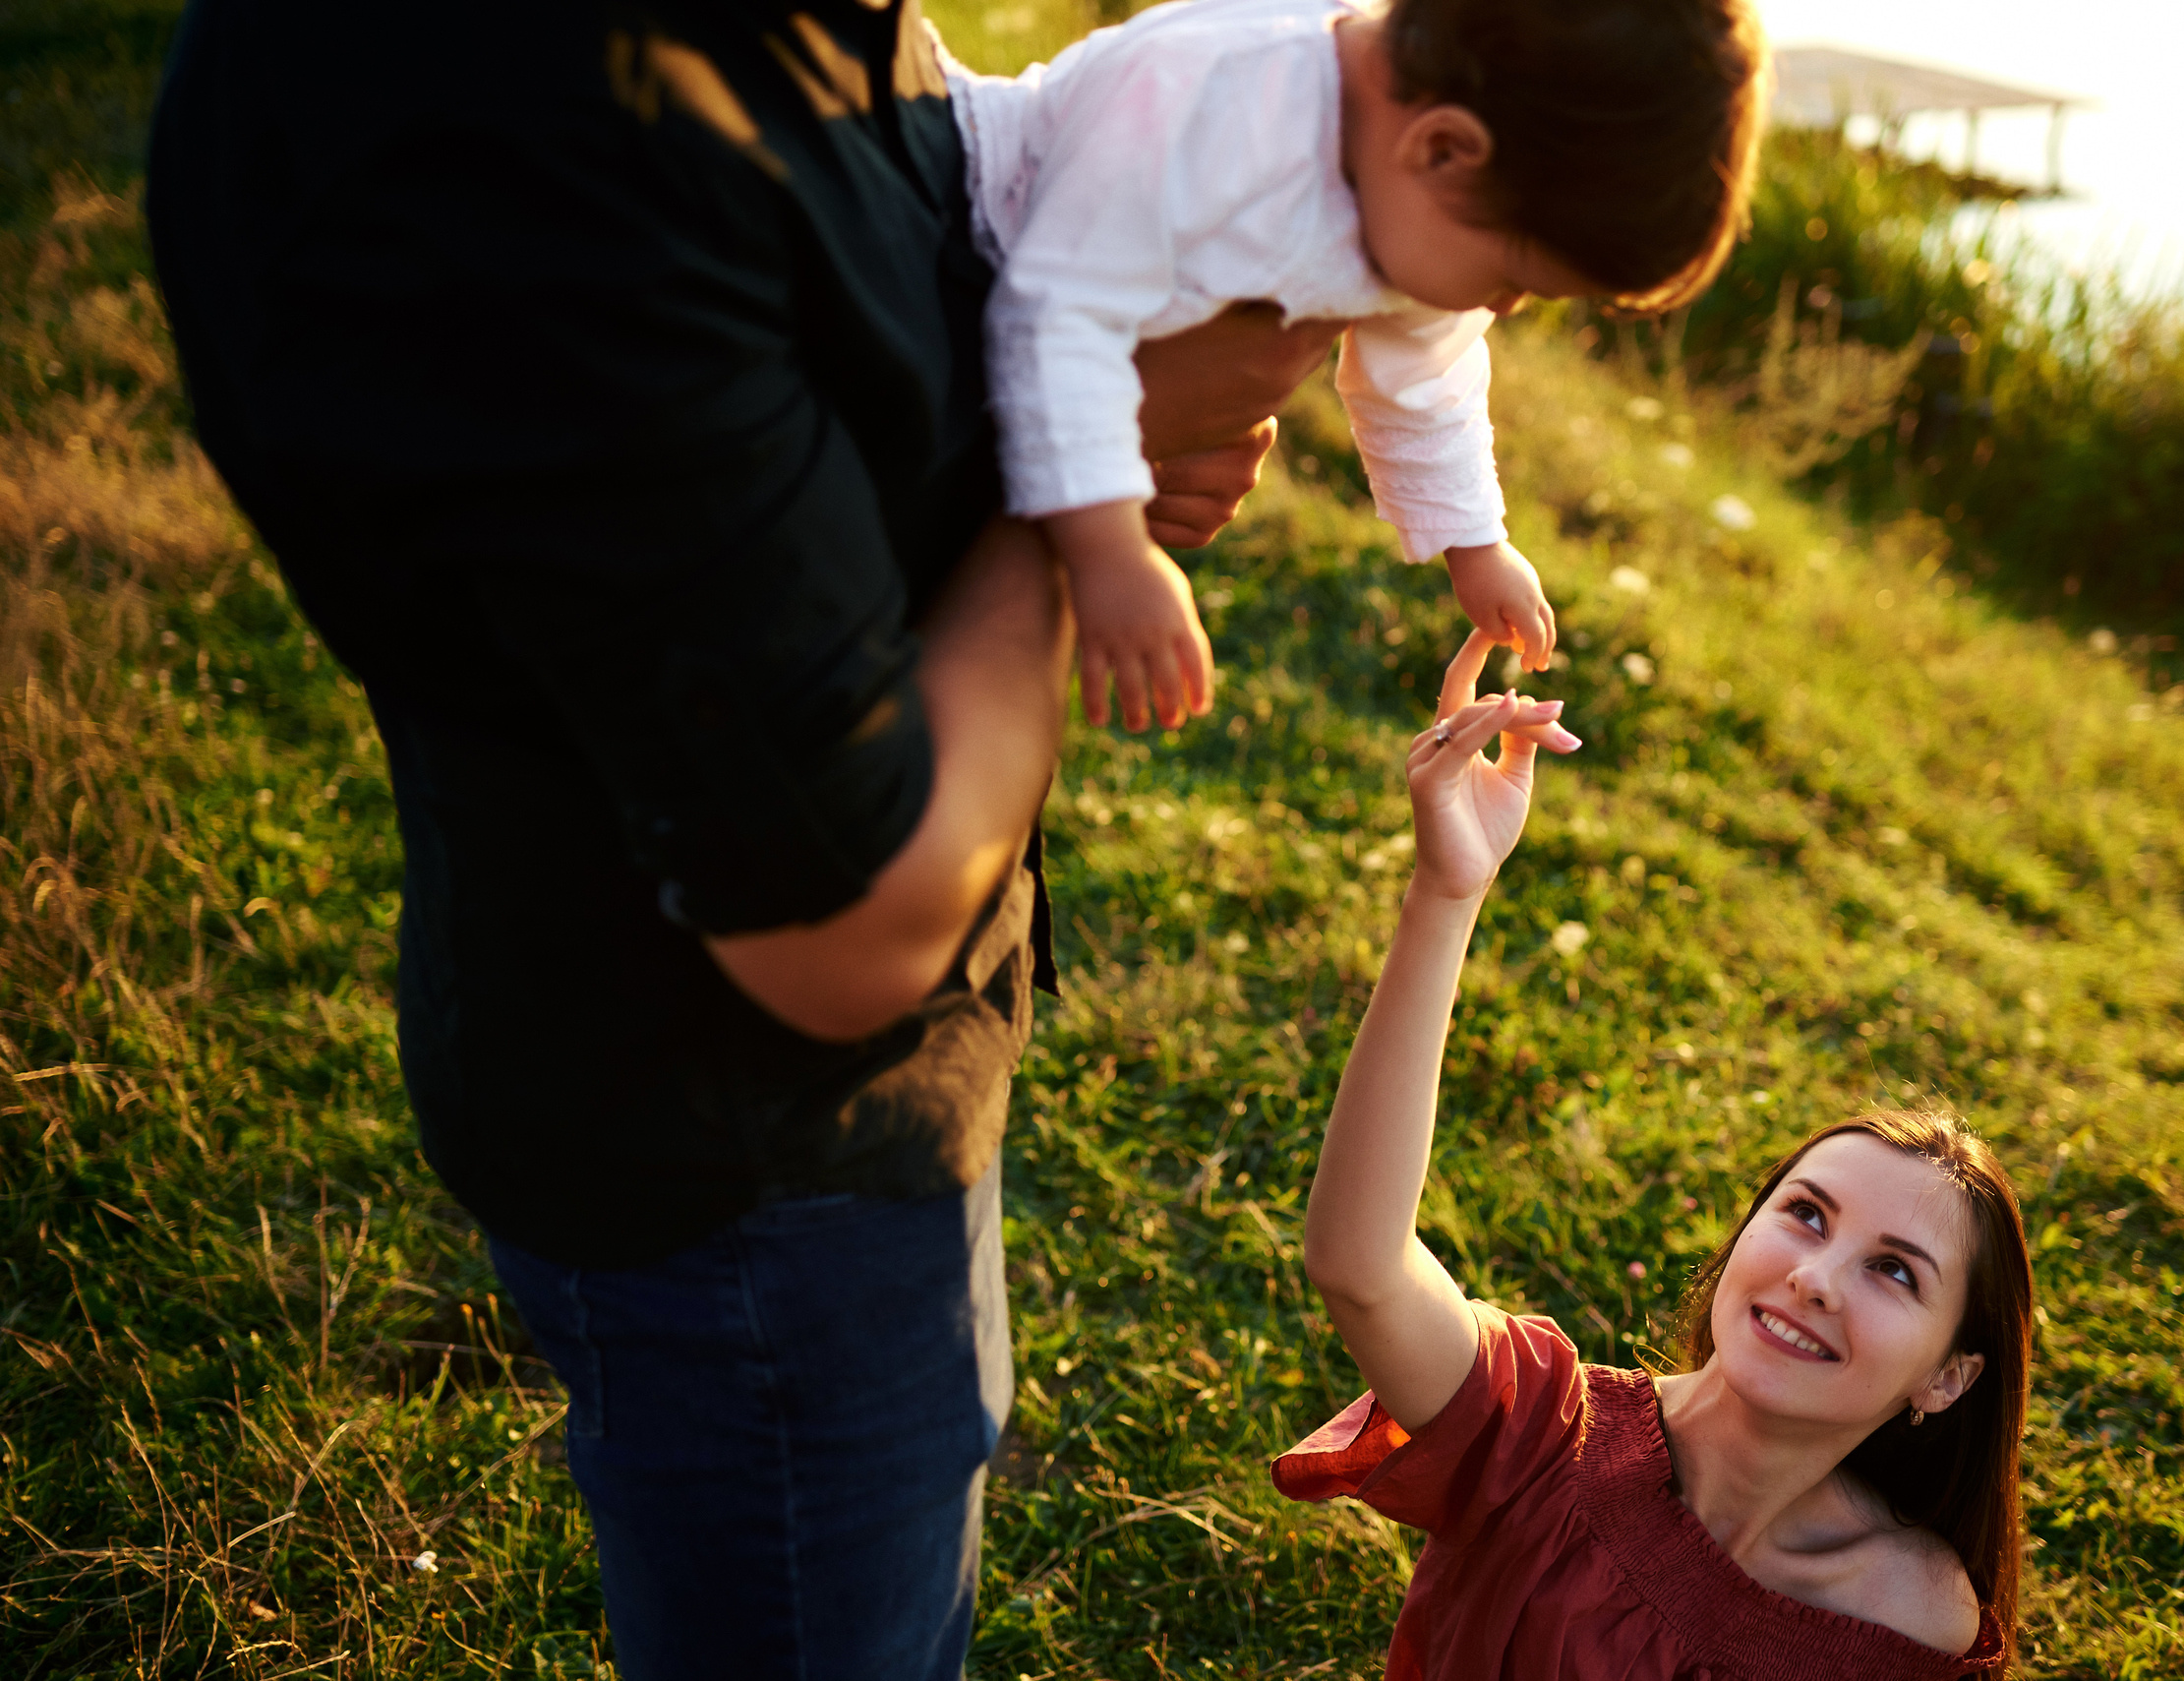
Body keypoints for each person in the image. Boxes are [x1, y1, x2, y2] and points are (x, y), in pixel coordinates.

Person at [146, 2, 1337, 1676]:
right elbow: (846, 929)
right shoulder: (543, 150)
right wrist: (1090, 467)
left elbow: (835, 311)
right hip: (742, 1166)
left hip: (856, 1129)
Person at [1273, 632, 2031, 1678]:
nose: (1813, 1276)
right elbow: (1358, 1263)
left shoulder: (1910, 1615)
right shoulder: (1543, 1431)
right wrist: (1447, 894)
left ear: (1946, 1377)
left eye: (1893, 1269)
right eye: (1805, 1213)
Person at [944, 0, 1769, 730]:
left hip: (1002, 386)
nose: (1507, 308)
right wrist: (1110, 554)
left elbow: (1427, 370)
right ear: (1444, 149)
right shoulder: (1223, 98)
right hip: (935, 242)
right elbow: (1058, 315)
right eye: (1513, 279)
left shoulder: (1410, 189)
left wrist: (1475, 544)